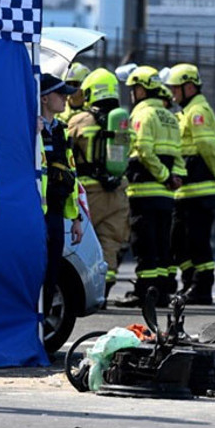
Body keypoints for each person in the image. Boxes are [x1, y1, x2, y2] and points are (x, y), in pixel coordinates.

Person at [115, 66, 185, 308]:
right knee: (162, 245)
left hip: (143, 191)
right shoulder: (169, 116)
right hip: (166, 195)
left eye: (134, 89)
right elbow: (179, 155)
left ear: (142, 89)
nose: (133, 94)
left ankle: (145, 293)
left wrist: (164, 175)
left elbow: (143, 150)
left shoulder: (142, 114)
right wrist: (175, 177)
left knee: (145, 245)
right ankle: (162, 293)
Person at [164, 63, 215, 305]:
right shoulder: (186, 111)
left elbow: (207, 147)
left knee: (197, 241)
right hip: (185, 193)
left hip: (200, 191)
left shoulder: (198, 111)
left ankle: (202, 288)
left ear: (189, 86)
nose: (172, 94)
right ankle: (191, 282)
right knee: (179, 241)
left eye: (175, 89)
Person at [67, 68, 131, 299]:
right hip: (118, 192)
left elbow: (66, 149)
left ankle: (88, 289)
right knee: (111, 242)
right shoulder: (122, 121)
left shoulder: (80, 120)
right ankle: (105, 289)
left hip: (90, 190)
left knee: (85, 241)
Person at [38, 74, 84, 315]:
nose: (66, 98)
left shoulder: (60, 131)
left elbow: (71, 174)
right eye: (60, 94)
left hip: (55, 214)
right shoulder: (31, 128)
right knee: (35, 275)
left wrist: (76, 218)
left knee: (51, 275)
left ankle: (42, 337)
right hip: (35, 215)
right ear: (44, 98)